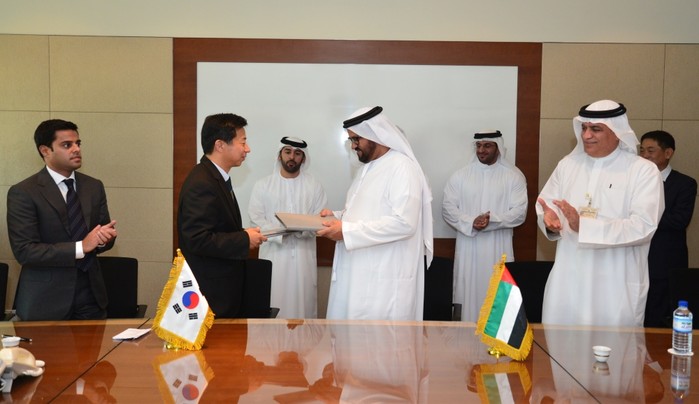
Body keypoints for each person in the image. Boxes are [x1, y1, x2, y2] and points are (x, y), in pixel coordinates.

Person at [536, 100, 664, 327]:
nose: (586, 135)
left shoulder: (642, 171)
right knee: (562, 343)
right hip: (568, 280)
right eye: (584, 128)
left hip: (615, 284)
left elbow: (644, 226)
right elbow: (547, 204)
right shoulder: (568, 164)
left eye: (595, 129)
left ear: (617, 132)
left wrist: (584, 226)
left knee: (613, 347)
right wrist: (549, 221)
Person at [317, 106, 433, 321]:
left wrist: (346, 231)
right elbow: (367, 211)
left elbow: (404, 223)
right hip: (358, 275)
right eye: (351, 140)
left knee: (378, 338)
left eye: (356, 139)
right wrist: (336, 217)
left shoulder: (402, 167)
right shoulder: (366, 169)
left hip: (384, 282)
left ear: (374, 134)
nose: (353, 146)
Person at [7, 119, 118, 321]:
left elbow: (101, 235)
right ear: (45, 151)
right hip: (46, 300)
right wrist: (81, 247)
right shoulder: (24, 192)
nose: (76, 149)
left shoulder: (93, 186)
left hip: (91, 296)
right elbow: (25, 251)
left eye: (78, 143)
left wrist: (104, 239)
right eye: (67, 145)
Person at [177, 113, 267, 318]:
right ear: (220, 145)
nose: (247, 149)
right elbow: (197, 239)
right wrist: (244, 239)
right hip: (210, 295)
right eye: (242, 142)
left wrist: (243, 234)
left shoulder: (214, 177)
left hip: (222, 290)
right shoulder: (202, 183)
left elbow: (217, 228)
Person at [442, 130, 528, 322]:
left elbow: (519, 213)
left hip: (498, 247)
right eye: (479, 145)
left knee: (497, 293)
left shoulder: (513, 177)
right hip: (468, 248)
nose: (481, 150)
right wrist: (471, 222)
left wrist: (492, 220)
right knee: (467, 295)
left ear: (498, 147)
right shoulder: (460, 176)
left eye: (487, 145)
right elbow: (448, 209)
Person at [248, 137, 328, 318]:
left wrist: (299, 229)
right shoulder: (263, 185)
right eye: (288, 152)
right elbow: (256, 220)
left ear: (303, 158)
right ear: (279, 155)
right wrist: (282, 232)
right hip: (274, 257)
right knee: (273, 302)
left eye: (298, 153)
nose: (292, 157)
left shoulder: (314, 186)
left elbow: (320, 220)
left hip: (303, 258)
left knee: (303, 307)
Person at [639, 130, 697, 327]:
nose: (644, 155)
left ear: (668, 153)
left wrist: (642, 216)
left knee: (658, 320)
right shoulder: (634, 182)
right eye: (642, 150)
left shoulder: (685, 184)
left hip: (664, 263)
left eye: (650, 150)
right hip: (634, 262)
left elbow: (679, 220)